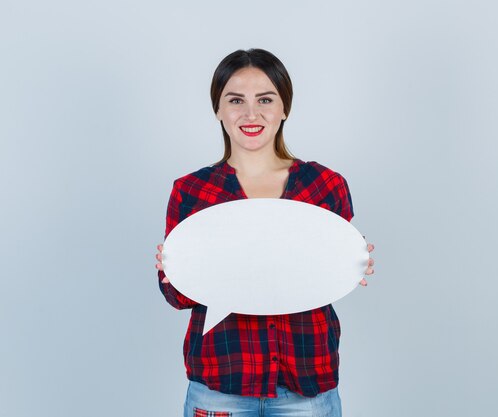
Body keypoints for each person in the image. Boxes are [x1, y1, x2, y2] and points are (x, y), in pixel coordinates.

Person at [154, 48, 375, 417]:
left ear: (284, 107)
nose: (250, 114)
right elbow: (176, 297)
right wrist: (173, 269)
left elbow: (330, 270)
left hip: (307, 386)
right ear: (218, 109)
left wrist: (352, 263)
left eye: (265, 99)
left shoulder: (324, 185)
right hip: (220, 387)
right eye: (235, 100)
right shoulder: (191, 191)